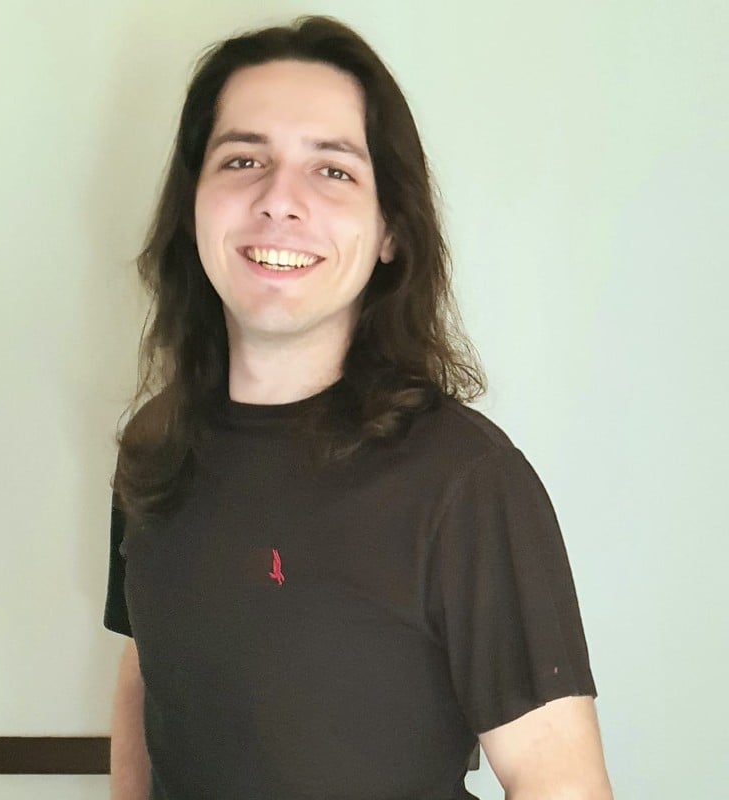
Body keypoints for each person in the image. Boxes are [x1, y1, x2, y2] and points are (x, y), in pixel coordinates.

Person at [103, 15, 612, 800]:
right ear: (193, 205)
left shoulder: (465, 481)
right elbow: (146, 672)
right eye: (243, 159)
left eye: (333, 170)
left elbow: (558, 780)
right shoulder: (154, 443)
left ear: (389, 234)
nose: (280, 200)